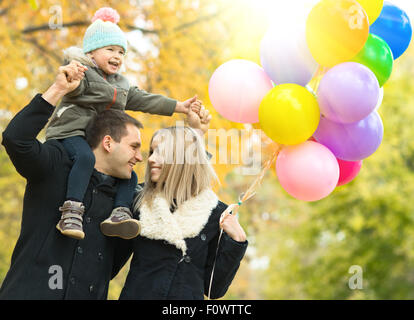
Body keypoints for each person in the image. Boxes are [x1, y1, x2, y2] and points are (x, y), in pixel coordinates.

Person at [45, 7, 201, 240]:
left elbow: (144, 99)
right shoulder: (83, 73)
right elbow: (73, 85)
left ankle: (120, 213)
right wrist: (71, 76)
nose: (117, 56)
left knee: (130, 175)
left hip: (96, 138)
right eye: (110, 49)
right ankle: (71, 210)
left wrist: (179, 106)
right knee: (85, 158)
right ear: (90, 53)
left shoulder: (121, 84)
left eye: (121, 51)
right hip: (70, 131)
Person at [0, 63, 143, 299]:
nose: (139, 157)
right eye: (134, 147)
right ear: (108, 143)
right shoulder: (56, 163)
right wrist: (57, 89)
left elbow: (109, 267)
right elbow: (16, 139)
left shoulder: (127, 204)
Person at [119, 109, 248, 300]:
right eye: (152, 152)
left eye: (161, 153)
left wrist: (237, 240)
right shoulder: (138, 199)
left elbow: (214, 290)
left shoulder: (215, 212)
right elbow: (109, 261)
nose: (151, 159)